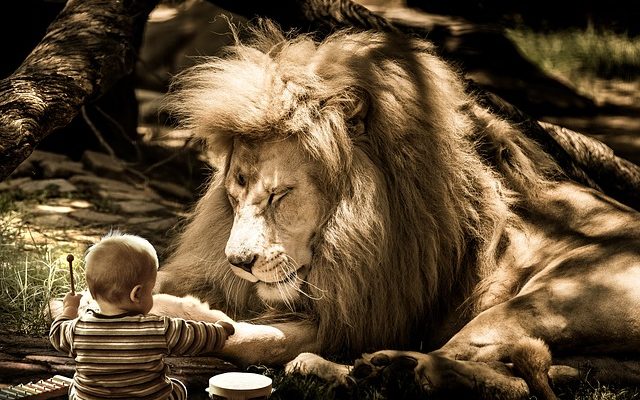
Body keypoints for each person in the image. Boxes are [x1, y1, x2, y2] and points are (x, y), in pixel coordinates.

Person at [50, 232, 234, 400]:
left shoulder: (78, 329)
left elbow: (57, 334)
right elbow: (193, 335)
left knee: (74, 388)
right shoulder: (157, 328)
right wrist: (219, 331)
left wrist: (69, 309)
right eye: (150, 290)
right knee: (178, 388)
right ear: (137, 294)